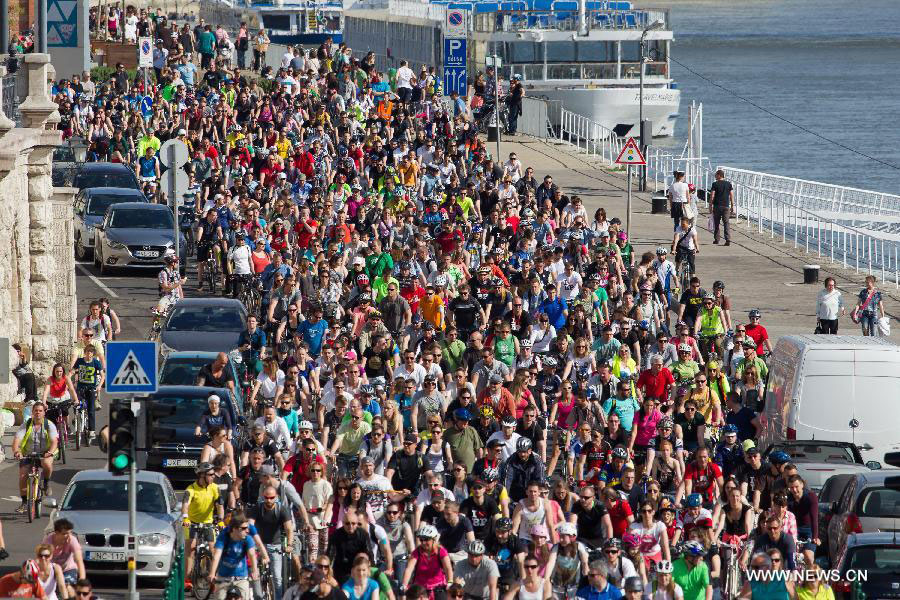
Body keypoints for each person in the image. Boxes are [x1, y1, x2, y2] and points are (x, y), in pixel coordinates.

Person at [182, 463, 225, 592]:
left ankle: (212, 578)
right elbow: (185, 505)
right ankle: (188, 580)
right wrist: (185, 518)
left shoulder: (215, 488)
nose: (213, 477)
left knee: (213, 550)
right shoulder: (191, 489)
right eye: (211, 475)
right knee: (191, 549)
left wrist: (221, 520)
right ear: (202, 475)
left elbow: (220, 505)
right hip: (192, 523)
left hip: (208, 523)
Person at [13, 401, 58, 511]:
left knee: (47, 463)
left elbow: (54, 442)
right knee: (23, 476)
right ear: (32, 412)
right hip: (28, 454)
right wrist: (16, 452)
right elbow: (16, 441)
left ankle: (46, 482)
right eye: (36, 411)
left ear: (44, 413)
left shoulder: (49, 425)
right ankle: (24, 502)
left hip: (45, 453)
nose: (38, 413)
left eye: (40, 411)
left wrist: (50, 452)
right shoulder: (26, 425)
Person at [209, 513, 261, 600]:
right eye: (244, 528)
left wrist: (255, 571)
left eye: (247, 528)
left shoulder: (247, 539)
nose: (247, 531)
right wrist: (212, 573)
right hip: (223, 577)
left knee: (245, 597)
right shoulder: (223, 538)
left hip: (241, 578)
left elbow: (252, 555)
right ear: (234, 529)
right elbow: (216, 555)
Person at [44, 519, 86, 598]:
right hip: (52, 570)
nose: (68, 536)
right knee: (51, 592)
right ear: (56, 533)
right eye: (64, 534)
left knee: (67, 586)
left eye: (70, 533)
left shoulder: (72, 540)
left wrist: (82, 579)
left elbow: (79, 560)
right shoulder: (48, 541)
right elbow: (44, 560)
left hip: (68, 569)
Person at [708, 169, 734, 246]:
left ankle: (717, 239)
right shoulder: (729, 184)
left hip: (717, 206)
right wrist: (732, 205)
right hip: (726, 206)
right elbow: (731, 195)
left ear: (719, 175)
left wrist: (710, 205)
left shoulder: (715, 184)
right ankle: (727, 239)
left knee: (716, 223)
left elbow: (712, 196)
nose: (715, 176)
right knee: (726, 223)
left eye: (716, 174)